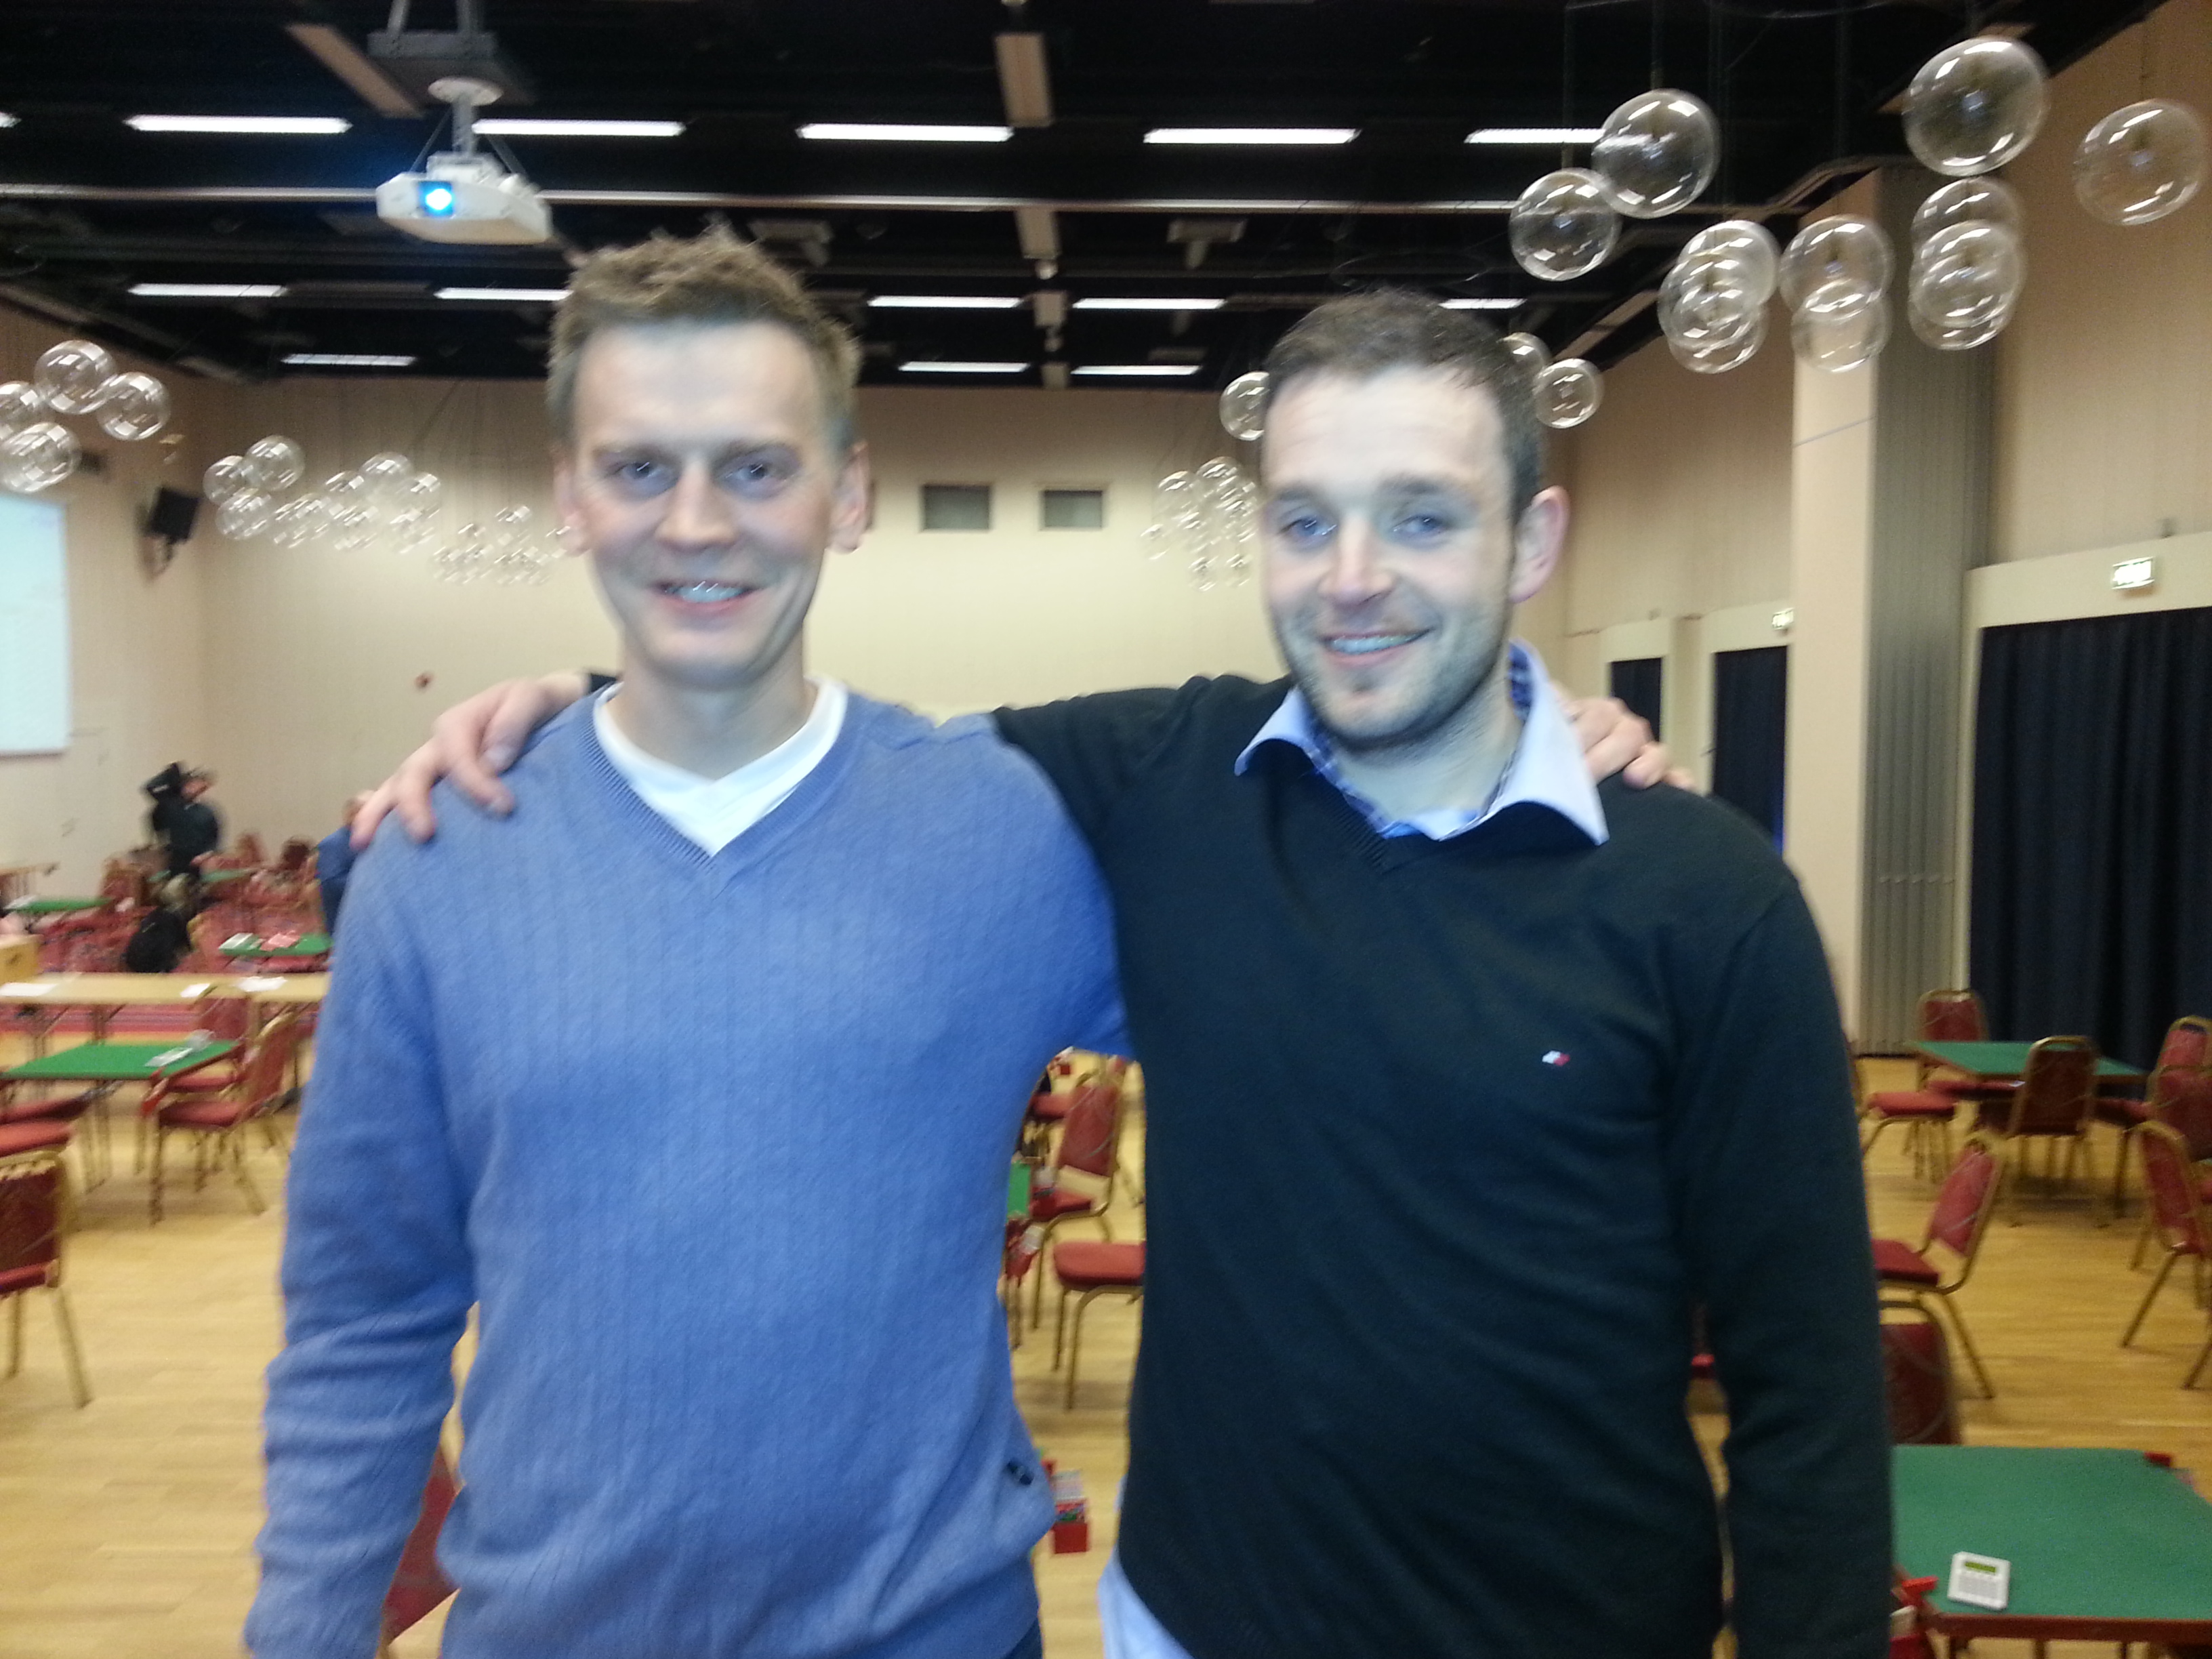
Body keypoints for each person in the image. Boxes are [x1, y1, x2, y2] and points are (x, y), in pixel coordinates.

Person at [365, 291, 1888, 1658]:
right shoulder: (1167, 778)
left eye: (1422, 518)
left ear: (1532, 542)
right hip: (1191, 1617)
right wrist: (585, 704)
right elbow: (843, 773)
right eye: (1305, 521)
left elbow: (1810, 1390)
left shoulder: (1707, 900)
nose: (1354, 578)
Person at [247, 230, 1128, 1659]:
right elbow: (363, 1317)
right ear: (569, 496)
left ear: (848, 493)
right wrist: (306, 1633)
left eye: (757, 467)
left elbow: (1308, 1006)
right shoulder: (439, 859)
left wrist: (1518, 753)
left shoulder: (1006, 832)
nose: (698, 522)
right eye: (641, 468)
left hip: (932, 1631)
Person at [142, 762, 222, 877]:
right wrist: (169, 773)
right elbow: (150, 787)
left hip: (196, 862)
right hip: (174, 858)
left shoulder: (205, 812)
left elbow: (214, 838)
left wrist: (204, 856)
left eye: (202, 788)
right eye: (192, 785)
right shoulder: (170, 804)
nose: (195, 789)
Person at [313, 792, 368, 934]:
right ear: (353, 815)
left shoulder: (370, 840)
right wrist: (372, 881)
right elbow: (332, 882)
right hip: (344, 920)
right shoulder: (334, 843)